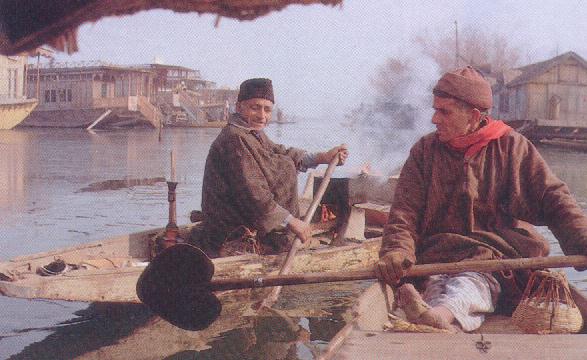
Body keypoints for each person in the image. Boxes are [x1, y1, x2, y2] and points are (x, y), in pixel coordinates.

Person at [375, 66, 587, 332]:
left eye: (444, 111)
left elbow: (555, 199)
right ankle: (431, 311)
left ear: (473, 116)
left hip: (493, 258)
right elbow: (404, 214)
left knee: (471, 285)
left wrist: (583, 239)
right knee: (438, 281)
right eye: (434, 109)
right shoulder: (424, 151)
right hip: (437, 256)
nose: (434, 119)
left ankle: (439, 316)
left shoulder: (512, 147)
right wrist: (397, 250)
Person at [198, 78, 348, 257]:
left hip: (249, 222)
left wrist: (323, 157)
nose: (262, 116)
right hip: (230, 231)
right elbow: (254, 195)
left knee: (283, 162)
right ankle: (274, 242)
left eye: (267, 109)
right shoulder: (234, 139)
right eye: (255, 107)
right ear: (239, 107)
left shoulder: (252, 134)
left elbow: (281, 152)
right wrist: (292, 221)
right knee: (284, 167)